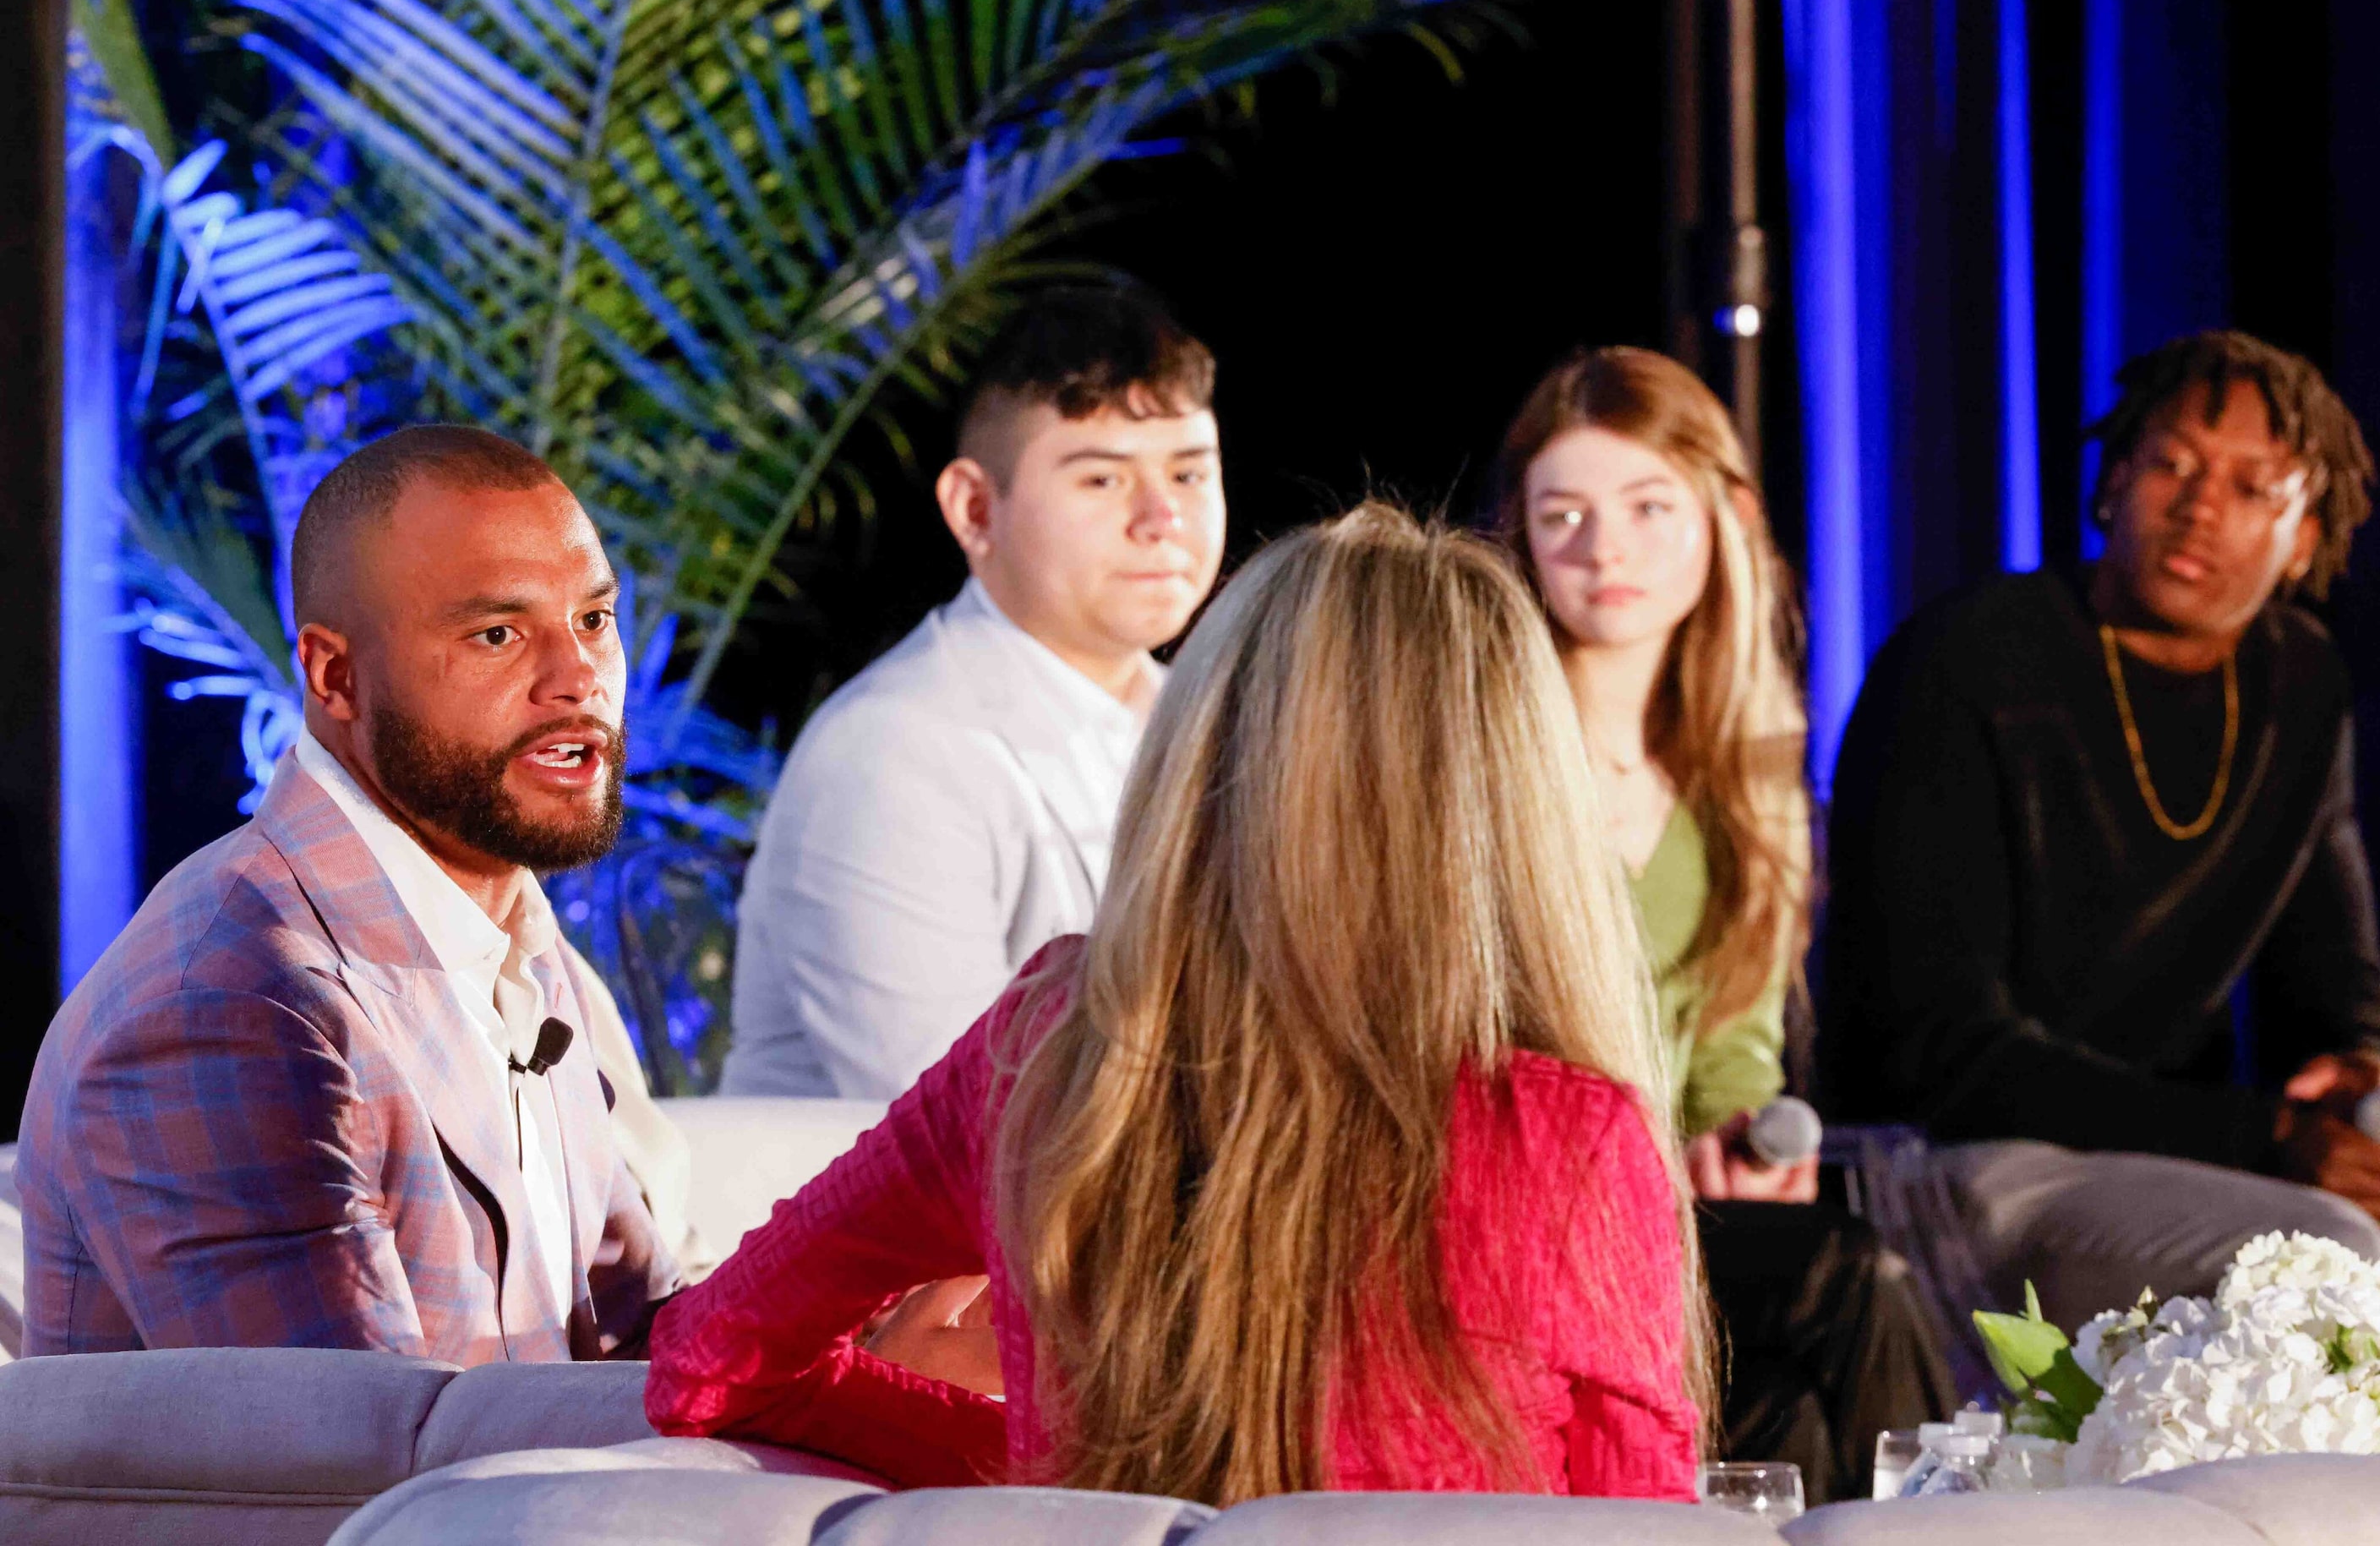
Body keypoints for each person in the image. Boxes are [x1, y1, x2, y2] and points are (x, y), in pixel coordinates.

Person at [647, 505, 1708, 1503]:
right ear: (1521, 800)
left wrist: (1050, 1484)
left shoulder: (1047, 1048)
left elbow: (710, 1364)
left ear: (1202, 749)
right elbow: (1640, 1525)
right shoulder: (1564, 1134)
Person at [15, 425, 681, 1362]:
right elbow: (356, 1465)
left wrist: (860, 1344)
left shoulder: (512, 934)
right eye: (498, 633)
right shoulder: (226, 1003)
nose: (577, 681)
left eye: (593, 620)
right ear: (336, 676)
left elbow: (630, 1337)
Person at [1825, 329, 2380, 1329]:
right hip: (1956, 1160)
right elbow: (1939, 1050)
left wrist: (2353, 1071)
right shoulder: (1967, 662)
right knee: (2336, 1263)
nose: (2198, 504)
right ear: (2112, 479)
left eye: (2252, 487)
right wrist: (2267, 1134)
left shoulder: (2301, 683)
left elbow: (2330, 981)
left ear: (2302, 536)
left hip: (2181, 1154)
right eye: (2169, 463)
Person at [1496, 346, 1954, 1502]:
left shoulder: (1741, 772)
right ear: (1521, 538)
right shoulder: (1490, 755)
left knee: (1789, 1414)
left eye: (1649, 507)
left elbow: (1731, 1051)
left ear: (1724, 516)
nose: (1607, 549)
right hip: (1526, 1214)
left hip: (1668, 1221)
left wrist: (1746, 1136)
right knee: (1855, 1275)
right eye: (1565, 516)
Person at [724, 286, 1226, 1099]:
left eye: (1189, 473)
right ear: (975, 508)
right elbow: (961, 1117)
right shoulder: (892, 754)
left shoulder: (1211, 725)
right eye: (1102, 480)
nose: (1162, 517)